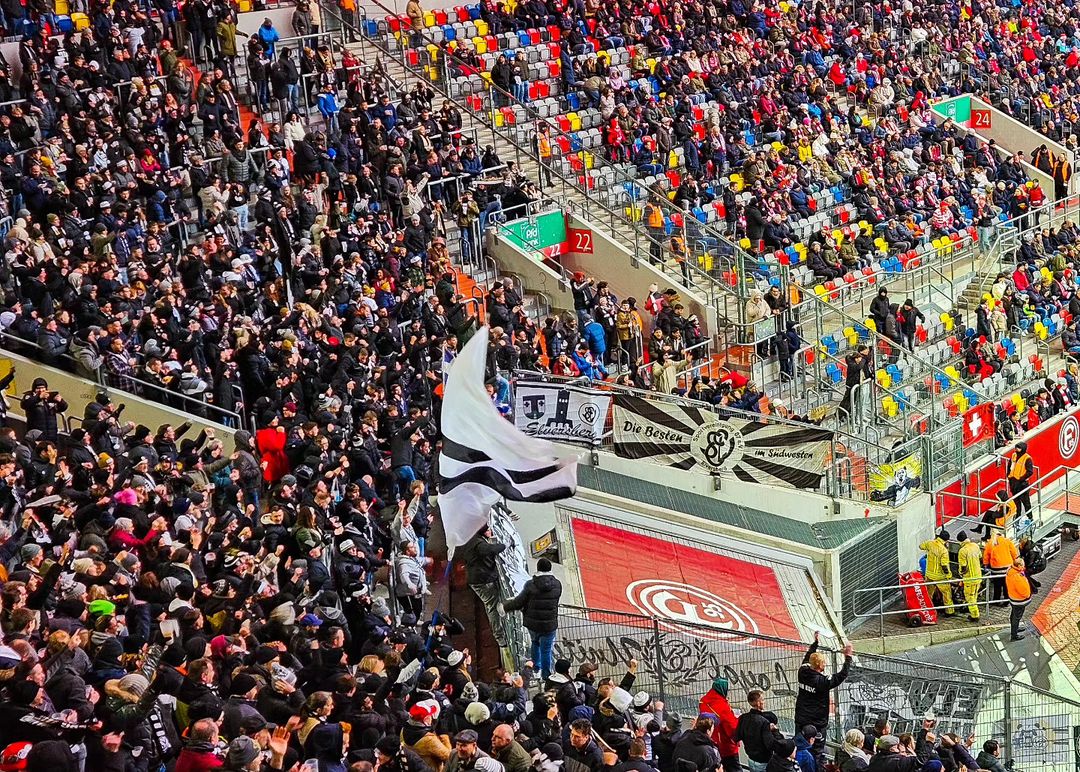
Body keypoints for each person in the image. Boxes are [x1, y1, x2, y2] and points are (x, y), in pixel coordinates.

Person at [794, 632, 853, 765]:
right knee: (816, 753)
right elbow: (841, 675)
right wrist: (848, 657)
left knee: (800, 746)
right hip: (817, 723)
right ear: (821, 666)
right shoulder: (822, 681)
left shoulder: (802, 671)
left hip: (801, 718)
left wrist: (815, 643)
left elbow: (807, 657)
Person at [503, 557, 562, 681]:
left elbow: (519, 602)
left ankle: (536, 669)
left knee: (535, 643)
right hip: (549, 625)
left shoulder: (530, 585)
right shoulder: (557, 585)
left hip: (533, 623)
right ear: (550, 569)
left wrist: (505, 607)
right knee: (546, 650)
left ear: (538, 569)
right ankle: (547, 676)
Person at [697, 677, 739, 772]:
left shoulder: (703, 701)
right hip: (725, 746)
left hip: (711, 741)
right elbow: (732, 727)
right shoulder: (722, 706)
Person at [733, 690, 781, 772]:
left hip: (751, 759)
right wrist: (775, 731)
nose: (764, 702)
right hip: (764, 761)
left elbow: (736, 737)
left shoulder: (743, 718)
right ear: (758, 703)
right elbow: (770, 744)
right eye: (763, 700)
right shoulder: (764, 722)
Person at [918, 529, 954, 616]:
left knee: (928, 594)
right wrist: (949, 575)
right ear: (946, 540)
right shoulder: (943, 550)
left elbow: (921, 546)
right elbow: (944, 565)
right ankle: (949, 612)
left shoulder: (930, 543)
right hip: (940, 577)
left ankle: (927, 610)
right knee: (946, 594)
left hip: (929, 574)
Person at [1006, 557, 1039, 641]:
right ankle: (1014, 635)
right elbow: (1023, 590)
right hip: (1019, 600)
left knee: (1014, 615)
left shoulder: (1010, 571)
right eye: (1023, 565)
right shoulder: (1017, 576)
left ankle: (1015, 629)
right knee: (1016, 617)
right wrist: (1028, 595)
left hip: (1013, 598)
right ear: (1019, 565)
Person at [983, 529, 1019, 605]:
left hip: (996, 569)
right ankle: (1006, 601)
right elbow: (1014, 553)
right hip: (1008, 568)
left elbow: (986, 556)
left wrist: (986, 565)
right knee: (1006, 585)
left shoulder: (990, 543)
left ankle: (996, 601)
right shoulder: (1007, 541)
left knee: (997, 586)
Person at [956, 531, 984, 621]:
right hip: (978, 576)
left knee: (969, 597)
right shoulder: (975, 546)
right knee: (974, 595)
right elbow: (980, 558)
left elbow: (963, 567)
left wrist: (961, 574)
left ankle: (975, 615)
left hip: (969, 579)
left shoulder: (962, 551)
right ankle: (971, 609)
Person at [1007, 440, 1035, 518]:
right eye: (1016, 447)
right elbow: (1009, 465)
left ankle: (1030, 517)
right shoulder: (1014, 455)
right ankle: (1017, 516)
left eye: (1018, 448)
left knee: (1026, 502)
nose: (1016, 449)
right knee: (1016, 502)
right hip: (1013, 482)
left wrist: (1021, 478)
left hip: (1022, 484)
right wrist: (1008, 475)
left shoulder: (1027, 458)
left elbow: (1030, 471)